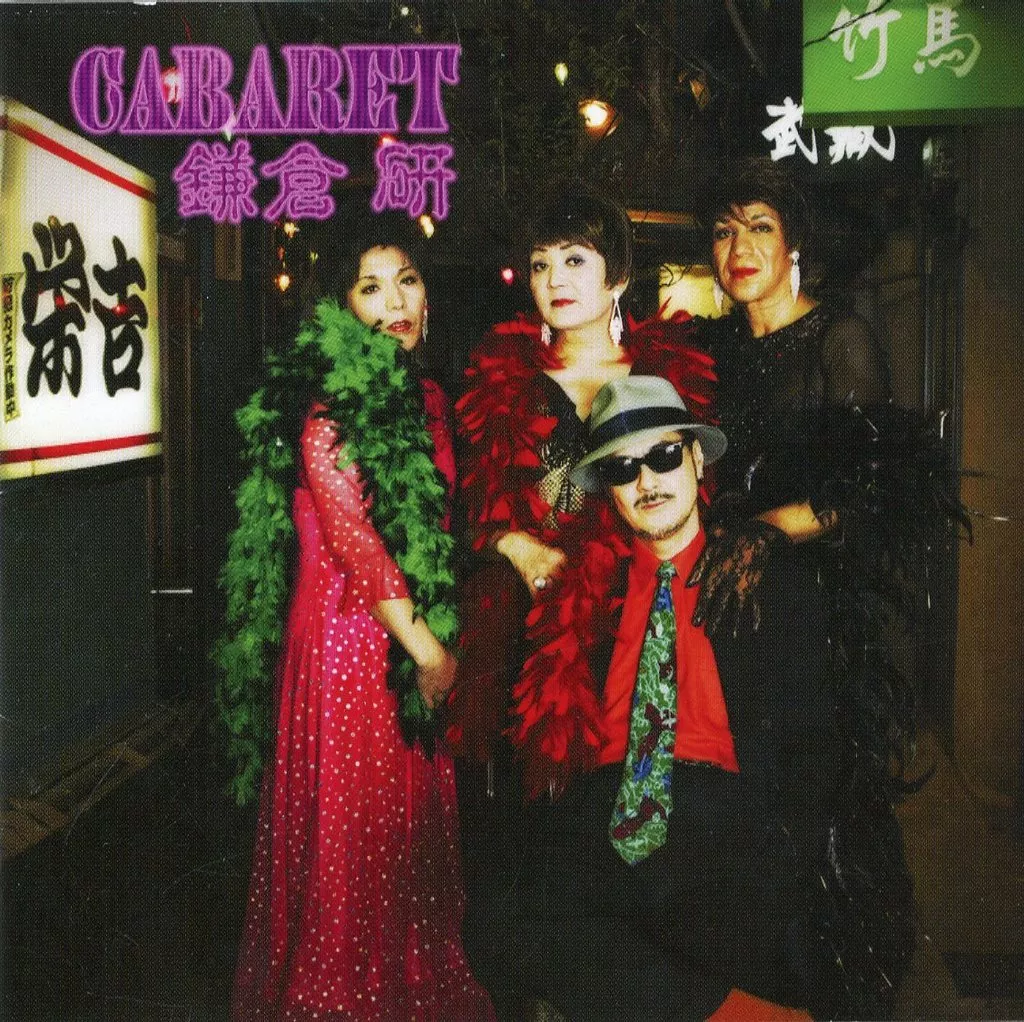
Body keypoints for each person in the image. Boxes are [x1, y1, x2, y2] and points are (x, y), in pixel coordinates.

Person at [691, 158, 962, 1018]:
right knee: (736, 806)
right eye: (724, 230)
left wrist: (770, 527)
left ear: (794, 242)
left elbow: (874, 488)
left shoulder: (839, 339)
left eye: (759, 227)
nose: (739, 246)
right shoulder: (711, 351)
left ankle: (833, 989)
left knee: (814, 810)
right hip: (724, 617)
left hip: (811, 620)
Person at [445, 185, 716, 1014]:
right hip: (527, 639)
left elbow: (694, 500)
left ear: (618, 276)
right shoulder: (503, 376)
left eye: (574, 259)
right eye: (539, 265)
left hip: (633, 631)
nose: (555, 279)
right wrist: (514, 544)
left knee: (624, 852)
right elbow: (465, 509)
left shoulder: (665, 375)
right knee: (519, 863)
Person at [219, 215, 494, 1021]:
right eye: (371, 287)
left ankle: (404, 980)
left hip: (409, 632)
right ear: (341, 307)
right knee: (356, 835)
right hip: (351, 646)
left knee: (404, 837)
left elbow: (441, 524)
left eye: (407, 279)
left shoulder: (429, 396)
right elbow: (358, 544)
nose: (395, 302)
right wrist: (429, 654)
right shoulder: (330, 407)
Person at [504, 375, 836, 1021]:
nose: (647, 481)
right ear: (609, 491)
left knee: (668, 917)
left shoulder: (763, 575)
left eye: (662, 456)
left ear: (696, 460)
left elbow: (809, 751)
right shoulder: (585, 593)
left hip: (726, 810)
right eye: (623, 468)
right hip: (605, 802)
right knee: (503, 916)